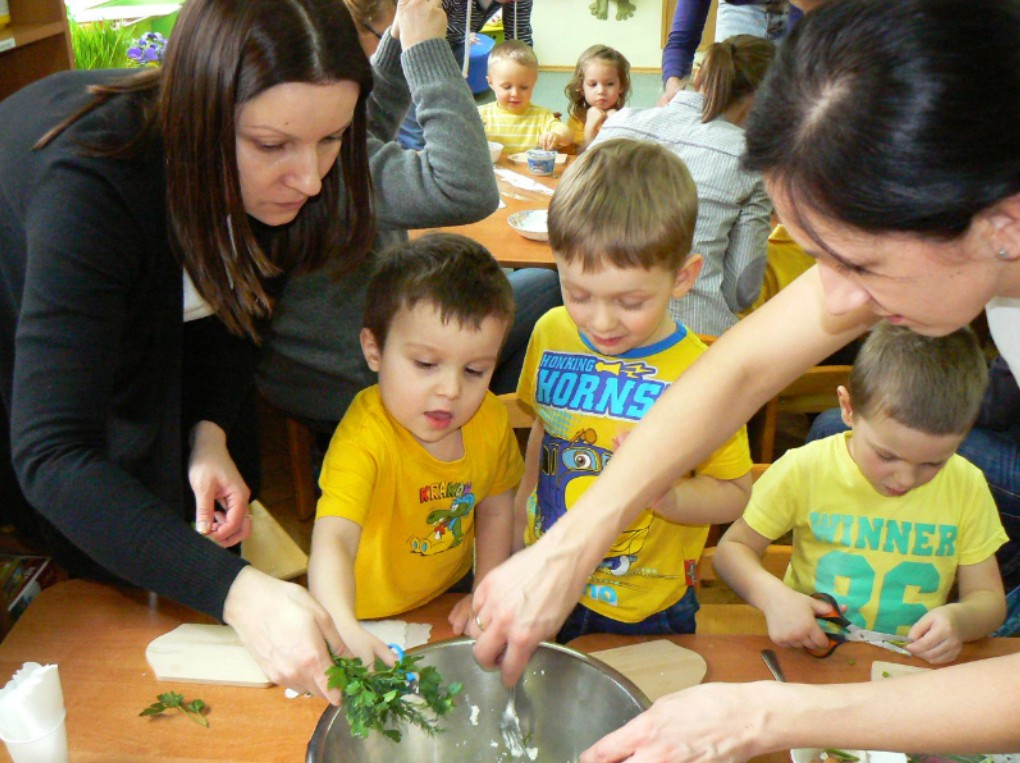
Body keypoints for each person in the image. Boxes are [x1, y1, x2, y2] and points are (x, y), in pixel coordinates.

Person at [465, 0, 1020, 758]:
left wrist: (772, 715)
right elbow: (741, 367)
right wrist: (570, 546)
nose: (835, 297)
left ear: (1005, 223)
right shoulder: (965, 227)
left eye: (857, 263)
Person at [0, 0, 379, 702]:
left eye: (332, 139)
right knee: (96, 544)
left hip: (134, 295)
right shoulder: (92, 183)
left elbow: (238, 307)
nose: (312, 178)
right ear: (202, 120)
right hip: (21, 312)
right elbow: (53, 454)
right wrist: (237, 593)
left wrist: (208, 435)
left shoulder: (285, 176)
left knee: (178, 513)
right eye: (273, 146)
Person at [516, 139, 753, 643]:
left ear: (683, 277)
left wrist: (667, 494)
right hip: (550, 581)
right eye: (578, 292)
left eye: (629, 301)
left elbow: (734, 494)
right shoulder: (551, 332)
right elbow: (543, 431)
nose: (600, 321)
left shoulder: (702, 373)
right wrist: (521, 537)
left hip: (647, 604)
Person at [714, 323, 1006, 664]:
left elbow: (989, 600)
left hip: (907, 666)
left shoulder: (966, 484)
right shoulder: (806, 469)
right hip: (812, 655)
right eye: (886, 455)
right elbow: (731, 551)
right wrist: (773, 597)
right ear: (848, 408)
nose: (905, 478)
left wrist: (958, 621)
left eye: (933, 463)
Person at [307, 233, 524, 664]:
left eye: (476, 370)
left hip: (443, 597)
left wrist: (485, 595)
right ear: (374, 349)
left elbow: (497, 508)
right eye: (426, 365)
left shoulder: (491, 420)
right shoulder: (366, 435)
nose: (450, 390)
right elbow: (334, 538)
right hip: (361, 614)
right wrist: (343, 626)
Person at [593, 35, 775, 337]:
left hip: (592, 331)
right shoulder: (750, 159)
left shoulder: (619, 122)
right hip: (692, 340)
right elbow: (741, 292)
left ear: (699, 76)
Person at [397, 0, 532, 150]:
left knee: (449, 112)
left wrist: (525, 83)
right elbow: (416, 22)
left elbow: (519, 37)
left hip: (456, 42)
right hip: (415, 43)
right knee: (416, 124)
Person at [478, 40, 573, 155]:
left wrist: (556, 135)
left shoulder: (541, 116)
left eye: (524, 87)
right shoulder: (480, 115)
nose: (515, 93)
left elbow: (568, 135)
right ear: (491, 82)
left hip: (528, 171)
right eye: (507, 87)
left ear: (534, 83)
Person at [563, 45, 631, 151]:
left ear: (621, 86)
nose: (601, 91)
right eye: (593, 84)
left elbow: (626, 156)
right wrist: (590, 128)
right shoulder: (577, 120)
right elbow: (579, 159)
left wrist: (616, 125)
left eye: (609, 84)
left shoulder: (627, 118)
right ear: (581, 87)